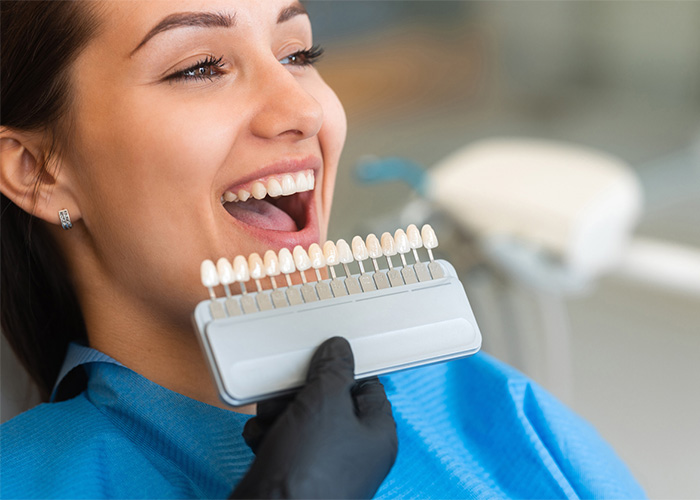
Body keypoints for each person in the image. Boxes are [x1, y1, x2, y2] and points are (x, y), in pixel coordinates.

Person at [0, 1, 645, 498]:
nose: (300, 110)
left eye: (299, 54)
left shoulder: (488, 405)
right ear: (35, 168)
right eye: (198, 67)